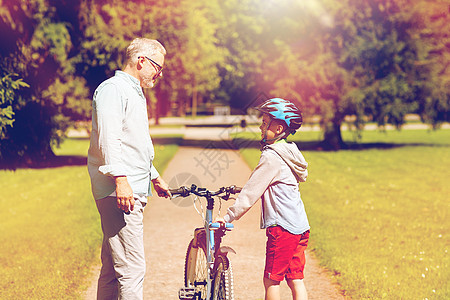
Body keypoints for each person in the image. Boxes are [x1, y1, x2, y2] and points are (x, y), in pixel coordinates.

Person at [87, 38, 171, 300]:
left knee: (113, 269)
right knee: (133, 269)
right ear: (141, 61)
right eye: (158, 67)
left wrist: (154, 176)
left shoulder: (133, 91)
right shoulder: (113, 89)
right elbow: (109, 139)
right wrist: (121, 179)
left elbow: (135, 142)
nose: (159, 74)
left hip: (128, 185)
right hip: (120, 191)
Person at [218, 98, 310, 300]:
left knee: (271, 280)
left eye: (265, 121)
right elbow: (272, 184)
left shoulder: (271, 157)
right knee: (295, 278)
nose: (260, 126)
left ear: (277, 128)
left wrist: (227, 217)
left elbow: (251, 193)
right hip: (300, 227)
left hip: (283, 228)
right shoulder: (290, 152)